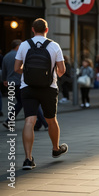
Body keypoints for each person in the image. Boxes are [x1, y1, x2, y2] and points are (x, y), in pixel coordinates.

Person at [14, 18, 68, 170]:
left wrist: (30, 73)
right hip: (49, 88)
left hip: (28, 87)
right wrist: (51, 75)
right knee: (51, 120)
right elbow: (62, 70)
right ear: (47, 30)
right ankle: (56, 149)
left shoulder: (24, 45)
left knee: (29, 121)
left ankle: (27, 159)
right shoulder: (54, 46)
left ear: (32, 29)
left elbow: (17, 68)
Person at [2, 40, 48, 130]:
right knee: (33, 102)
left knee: (20, 103)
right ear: (18, 47)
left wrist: (4, 80)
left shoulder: (6, 56)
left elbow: (4, 69)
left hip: (11, 83)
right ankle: (45, 123)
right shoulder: (21, 55)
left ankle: (9, 121)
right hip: (21, 83)